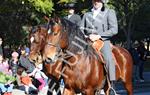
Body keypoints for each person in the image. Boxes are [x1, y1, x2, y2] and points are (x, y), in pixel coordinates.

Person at [80, 0, 118, 91]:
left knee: (108, 59)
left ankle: (111, 84)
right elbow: (80, 29)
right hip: (88, 41)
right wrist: (85, 36)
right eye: (94, 0)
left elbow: (114, 29)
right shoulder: (86, 15)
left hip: (102, 41)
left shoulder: (109, 12)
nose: (96, 2)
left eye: (98, 0)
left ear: (102, 2)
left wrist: (99, 36)